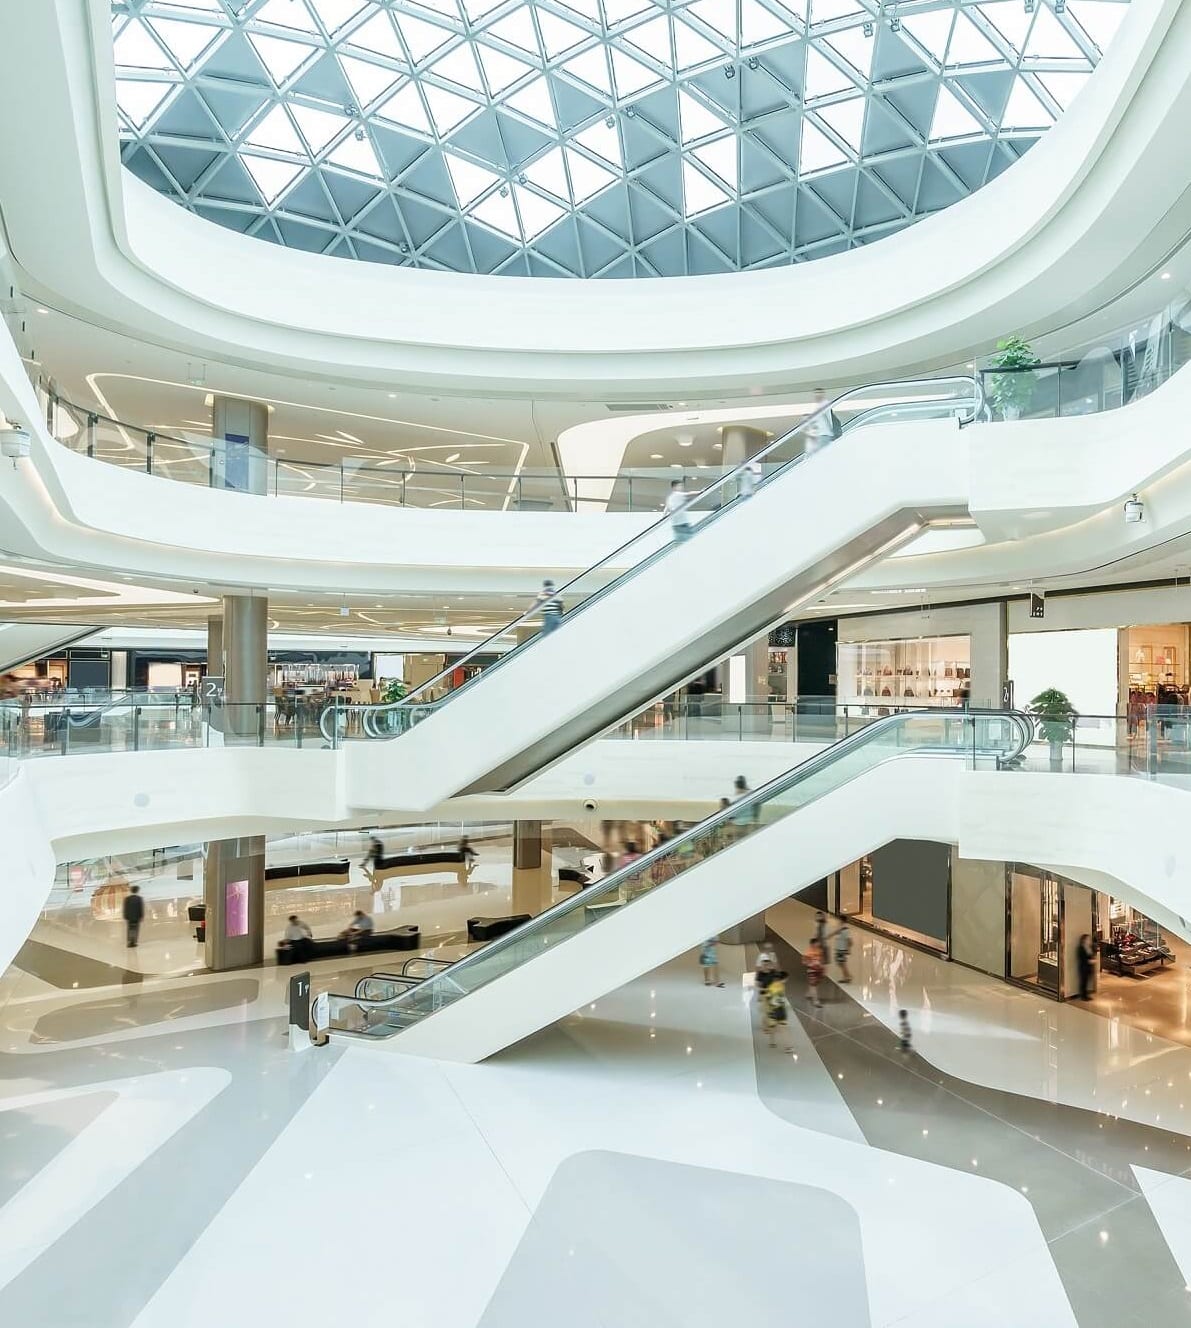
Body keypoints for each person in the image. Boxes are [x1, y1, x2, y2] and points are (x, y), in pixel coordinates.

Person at [803, 387, 839, 456]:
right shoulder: (818, 404)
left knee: (820, 454)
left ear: (823, 394)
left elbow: (827, 419)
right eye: (816, 393)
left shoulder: (824, 404)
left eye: (819, 393)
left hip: (824, 434)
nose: (817, 395)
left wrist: (831, 431)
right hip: (821, 434)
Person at [763, 972, 792, 1050]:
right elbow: (779, 998)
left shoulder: (771, 987)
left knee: (773, 1027)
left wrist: (767, 1010)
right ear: (784, 979)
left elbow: (767, 998)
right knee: (783, 1028)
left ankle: (772, 1042)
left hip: (772, 1010)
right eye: (787, 979)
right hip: (779, 1010)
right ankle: (788, 1047)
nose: (787, 980)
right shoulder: (781, 987)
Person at [803, 938, 824, 1010]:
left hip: (819, 970)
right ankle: (816, 1001)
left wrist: (822, 967)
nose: (818, 944)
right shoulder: (808, 953)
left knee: (815, 984)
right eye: (816, 943)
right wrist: (811, 963)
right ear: (812, 944)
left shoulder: (819, 951)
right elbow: (804, 962)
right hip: (812, 970)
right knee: (813, 985)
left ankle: (809, 993)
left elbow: (821, 960)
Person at [122, 884, 145, 948]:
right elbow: (140, 908)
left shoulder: (127, 899)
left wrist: (125, 915)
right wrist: (141, 916)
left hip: (129, 917)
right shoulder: (139, 899)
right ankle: (134, 941)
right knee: (136, 929)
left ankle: (129, 941)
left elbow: (125, 908)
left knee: (130, 929)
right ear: (137, 891)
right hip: (136, 917)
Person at [1077, 933, 1096, 1001]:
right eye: (1088, 939)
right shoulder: (1081, 948)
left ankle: (1086, 995)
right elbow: (1081, 958)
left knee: (1087, 981)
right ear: (1084, 940)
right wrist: (1089, 961)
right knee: (1083, 982)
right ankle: (1083, 996)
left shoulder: (1089, 948)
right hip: (1083, 967)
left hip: (1088, 968)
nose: (1089, 941)